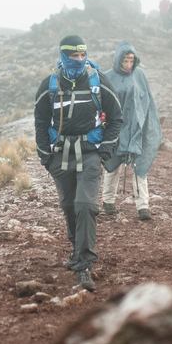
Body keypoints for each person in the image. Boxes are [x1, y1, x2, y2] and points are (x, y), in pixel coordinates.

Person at [35, 35, 122, 291]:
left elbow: (116, 117)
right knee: (69, 206)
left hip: (91, 154)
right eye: (73, 55)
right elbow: (40, 122)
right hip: (60, 156)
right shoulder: (49, 85)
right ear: (63, 55)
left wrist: (105, 151)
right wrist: (45, 157)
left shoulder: (98, 80)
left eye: (83, 54)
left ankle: (84, 265)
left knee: (85, 205)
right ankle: (76, 250)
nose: (79, 59)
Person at [99, 42, 163, 221]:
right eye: (125, 60)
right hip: (116, 129)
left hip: (137, 128)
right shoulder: (107, 77)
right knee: (113, 165)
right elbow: (102, 105)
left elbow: (147, 101)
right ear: (118, 59)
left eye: (131, 60)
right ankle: (108, 201)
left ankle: (143, 206)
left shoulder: (140, 75)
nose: (128, 64)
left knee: (139, 166)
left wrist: (148, 125)